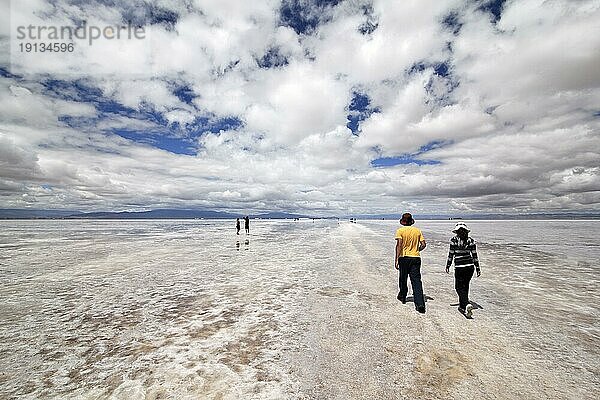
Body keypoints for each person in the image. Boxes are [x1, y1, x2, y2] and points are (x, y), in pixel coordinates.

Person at [446, 222, 481, 318]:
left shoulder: (454, 240)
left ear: (456, 232)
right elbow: (474, 254)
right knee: (465, 286)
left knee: (458, 287)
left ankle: (465, 304)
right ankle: (463, 307)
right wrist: (477, 267)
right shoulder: (471, 240)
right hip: (470, 267)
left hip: (460, 267)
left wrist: (448, 264)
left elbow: (451, 254)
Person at [394, 213, 427, 313]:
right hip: (415, 258)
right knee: (416, 280)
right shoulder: (417, 231)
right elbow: (424, 244)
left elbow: (399, 245)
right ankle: (420, 303)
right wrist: (416, 250)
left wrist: (396, 259)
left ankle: (403, 296)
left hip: (404, 258)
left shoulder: (400, 231)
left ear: (403, 221)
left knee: (403, 278)